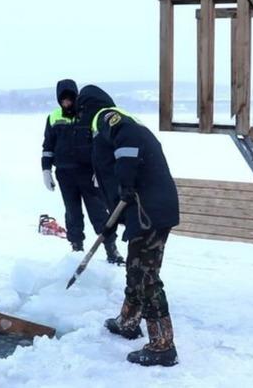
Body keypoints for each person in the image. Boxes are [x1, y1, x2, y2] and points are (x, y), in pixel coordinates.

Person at [76, 85, 180, 367]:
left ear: (87, 108)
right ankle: (128, 321)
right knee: (135, 269)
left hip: (150, 210)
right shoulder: (108, 125)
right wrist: (114, 222)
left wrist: (125, 180)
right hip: (145, 209)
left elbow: (129, 146)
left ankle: (163, 345)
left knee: (146, 276)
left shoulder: (108, 117)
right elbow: (122, 189)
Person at [41, 79, 123, 264]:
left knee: (99, 213)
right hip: (65, 175)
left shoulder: (86, 115)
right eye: (63, 100)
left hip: (88, 174)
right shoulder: (53, 118)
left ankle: (111, 249)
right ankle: (76, 249)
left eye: (70, 99)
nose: (67, 103)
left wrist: (99, 171)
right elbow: (48, 146)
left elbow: (100, 145)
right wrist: (46, 169)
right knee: (72, 214)